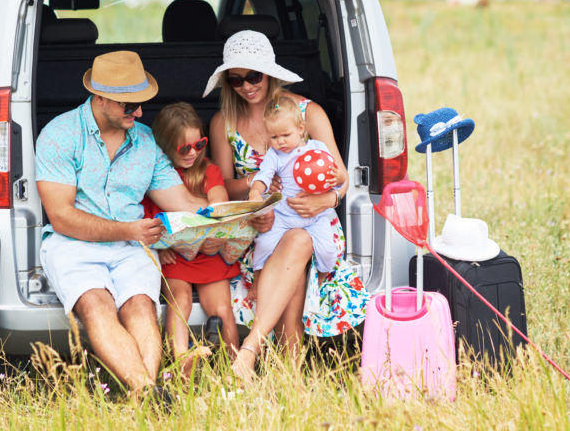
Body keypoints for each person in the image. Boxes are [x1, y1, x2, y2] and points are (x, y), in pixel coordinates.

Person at [35, 51, 206, 399]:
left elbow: (184, 204)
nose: (139, 113)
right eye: (129, 106)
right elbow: (62, 217)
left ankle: (148, 396)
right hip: (72, 243)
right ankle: (148, 391)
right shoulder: (60, 135)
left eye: (141, 103)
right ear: (99, 97)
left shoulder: (145, 141)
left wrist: (233, 212)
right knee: (97, 304)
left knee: (142, 307)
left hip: (132, 246)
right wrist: (129, 231)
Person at [204, 30, 363, 383]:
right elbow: (221, 185)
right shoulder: (223, 123)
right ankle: (289, 377)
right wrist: (254, 185)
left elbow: (341, 176)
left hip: (314, 219)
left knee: (300, 240)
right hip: (258, 224)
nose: (246, 86)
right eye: (236, 79)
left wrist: (327, 199)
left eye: (254, 76)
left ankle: (251, 354)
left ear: (270, 72)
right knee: (291, 245)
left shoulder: (308, 112)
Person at [142, 102, 240, 371]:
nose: (192, 153)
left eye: (199, 145)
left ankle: (237, 367)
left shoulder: (208, 169)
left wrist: (218, 220)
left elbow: (219, 200)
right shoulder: (155, 175)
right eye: (184, 148)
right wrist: (160, 248)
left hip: (208, 251)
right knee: (179, 301)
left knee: (221, 308)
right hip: (175, 253)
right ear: (163, 143)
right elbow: (146, 221)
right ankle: (182, 361)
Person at [247, 96, 346, 281]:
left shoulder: (318, 147)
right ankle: (258, 276)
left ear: (300, 129)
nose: (280, 142)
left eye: (285, 135)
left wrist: (339, 178)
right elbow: (263, 176)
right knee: (263, 245)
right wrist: (255, 192)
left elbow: (336, 176)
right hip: (284, 215)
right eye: (274, 137)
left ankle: (322, 277)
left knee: (328, 251)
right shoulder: (274, 155)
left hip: (316, 217)